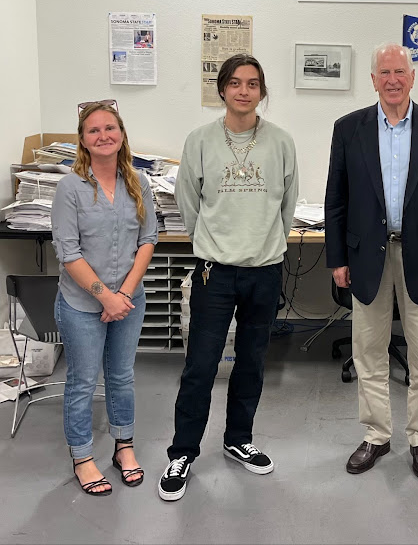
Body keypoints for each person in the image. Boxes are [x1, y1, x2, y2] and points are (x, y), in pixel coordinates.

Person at [158, 53, 298, 502]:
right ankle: (182, 452)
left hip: (264, 270)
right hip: (214, 272)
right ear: (222, 90)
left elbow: (287, 204)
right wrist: (217, 242)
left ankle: (239, 439)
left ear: (261, 91)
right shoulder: (200, 140)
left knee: (252, 362)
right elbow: (189, 203)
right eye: (235, 83)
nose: (243, 91)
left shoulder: (280, 142)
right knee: (200, 365)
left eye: (253, 84)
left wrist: (261, 242)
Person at [325, 42, 418, 480]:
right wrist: (336, 258)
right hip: (365, 255)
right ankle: (376, 435)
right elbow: (337, 199)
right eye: (384, 72)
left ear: (412, 77)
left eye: (399, 72)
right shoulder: (349, 128)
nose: (392, 79)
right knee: (368, 353)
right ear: (372, 80)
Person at [51, 102, 157, 495]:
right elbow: (68, 252)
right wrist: (105, 297)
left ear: (122, 134)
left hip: (128, 300)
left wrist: (123, 294)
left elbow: (148, 240)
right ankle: (82, 457)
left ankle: (123, 447)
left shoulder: (138, 182)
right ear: (82, 140)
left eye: (110, 128)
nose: (103, 135)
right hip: (81, 305)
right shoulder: (70, 188)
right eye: (93, 130)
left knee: (121, 375)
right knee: (81, 381)